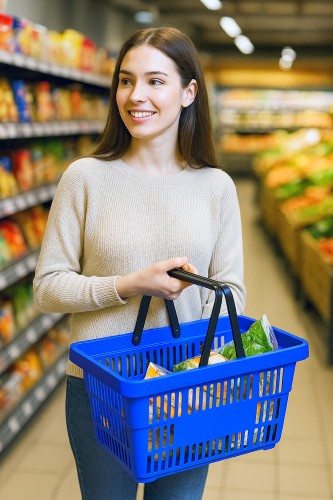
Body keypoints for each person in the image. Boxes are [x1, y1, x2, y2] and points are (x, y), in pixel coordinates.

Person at [33, 26, 246, 500]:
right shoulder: (85, 178)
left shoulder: (216, 187)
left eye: (155, 81)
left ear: (189, 92)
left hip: (188, 389)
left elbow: (234, 291)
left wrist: (203, 290)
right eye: (126, 81)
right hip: (101, 389)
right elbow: (46, 287)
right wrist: (130, 284)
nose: (136, 96)